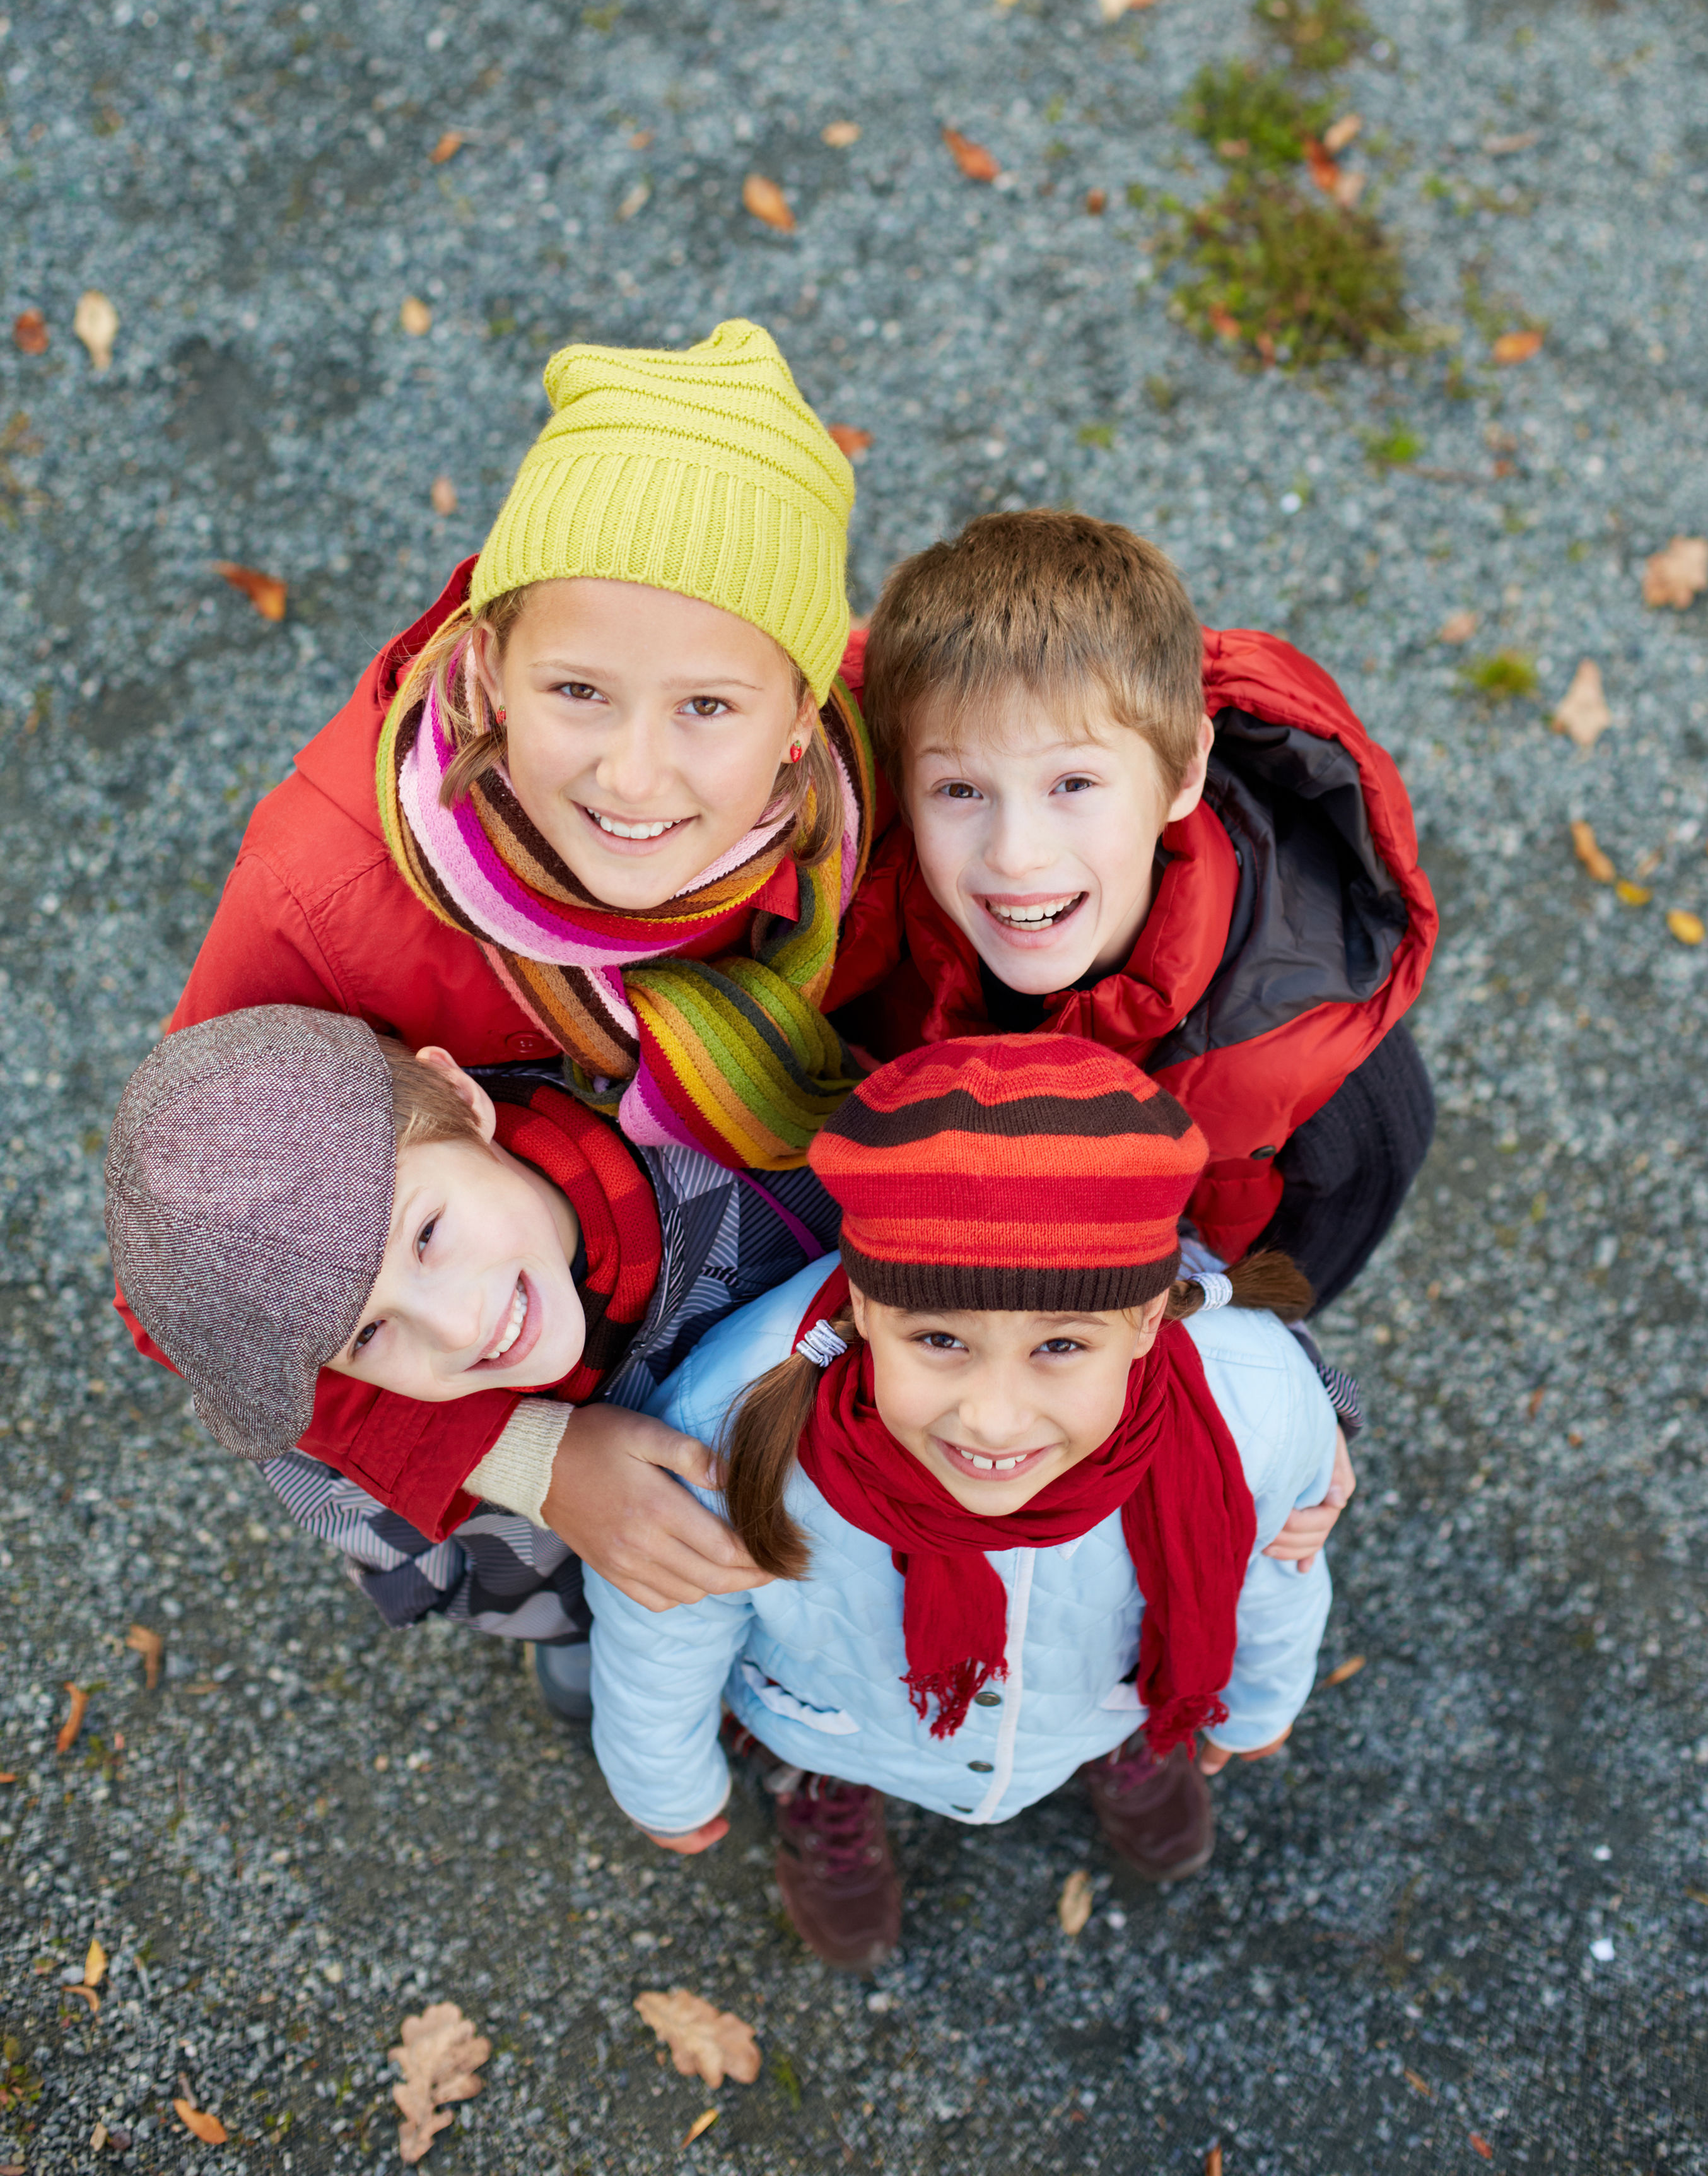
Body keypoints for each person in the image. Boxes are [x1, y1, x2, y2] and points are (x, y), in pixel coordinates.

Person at [127, 319, 884, 1631]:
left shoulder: (858, 807)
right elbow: (186, 1282)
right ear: (488, 665)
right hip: (500, 1375)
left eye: (707, 708)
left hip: (719, 1273)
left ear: (800, 719)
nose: (633, 778)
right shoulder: (323, 894)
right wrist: (529, 1459)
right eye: (577, 691)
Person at [584, 1033, 1339, 1971]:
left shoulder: (1253, 1401)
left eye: (1061, 1346)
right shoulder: (730, 1419)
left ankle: (1124, 1741)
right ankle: (826, 1789)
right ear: (867, 1306)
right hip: (841, 1715)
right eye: (940, 1340)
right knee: (832, 1755)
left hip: (1101, 1691)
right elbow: (662, 1621)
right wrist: (663, 1781)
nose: (992, 1418)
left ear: (1147, 1319)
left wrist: (1255, 1701)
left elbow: (1276, 1563)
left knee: (1114, 1690)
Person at [104, 1006, 844, 1709]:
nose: (456, 1331)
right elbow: (415, 1552)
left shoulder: (730, 1151)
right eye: (367, 1334)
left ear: (461, 1099)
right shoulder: (345, 1438)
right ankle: (576, 1629)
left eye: (426, 1235)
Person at [829, 510, 1438, 1311]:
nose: (1015, 854)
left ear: (1183, 772)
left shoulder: (1318, 1061)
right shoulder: (846, 907)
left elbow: (1294, 1280)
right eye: (960, 790)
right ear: (901, 787)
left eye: (1073, 785)